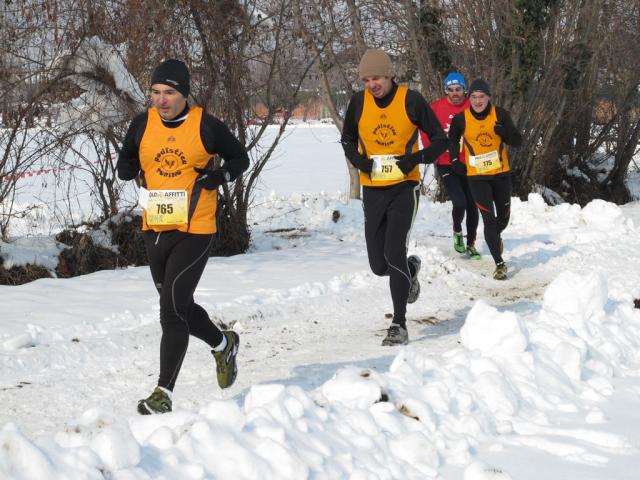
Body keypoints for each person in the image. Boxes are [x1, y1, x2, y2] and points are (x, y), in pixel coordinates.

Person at [117, 59, 250, 414]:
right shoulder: (142, 123)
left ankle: (164, 393)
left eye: (170, 93)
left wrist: (218, 177)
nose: (161, 100)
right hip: (155, 227)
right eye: (156, 92)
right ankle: (224, 345)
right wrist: (127, 168)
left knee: (171, 308)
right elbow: (126, 161)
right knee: (179, 305)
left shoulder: (205, 125)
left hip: (196, 227)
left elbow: (240, 158)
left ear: (184, 94)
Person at [341, 49, 448, 346]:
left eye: (376, 77)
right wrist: (360, 162)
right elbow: (347, 138)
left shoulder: (411, 101)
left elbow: (440, 140)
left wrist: (415, 159)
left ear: (389, 75)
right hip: (373, 188)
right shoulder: (358, 102)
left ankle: (399, 324)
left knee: (394, 251)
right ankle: (410, 271)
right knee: (378, 265)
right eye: (366, 79)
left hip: (404, 188)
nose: (371, 84)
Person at [448, 79, 522, 280]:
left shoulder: (500, 114)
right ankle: (499, 264)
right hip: (477, 177)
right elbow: (452, 139)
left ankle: (495, 237)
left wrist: (504, 133)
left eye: (482, 96)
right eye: (473, 96)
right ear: (468, 98)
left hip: (500, 175)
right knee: (488, 219)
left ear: (489, 97)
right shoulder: (461, 119)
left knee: (503, 219)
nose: (478, 101)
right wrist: (455, 159)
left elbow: (518, 140)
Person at [420, 72, 480, 259]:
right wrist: (433, 151)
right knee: (459, 202)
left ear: (464, 90)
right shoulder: (436, 107)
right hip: (446, 163)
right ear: (446, 90)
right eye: (451, 90)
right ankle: (457, 232)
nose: (455, 93)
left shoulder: (473, 106)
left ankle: (471, 244)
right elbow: (424, 130)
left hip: (470, 164)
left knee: (472, 205)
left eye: (458, 89)